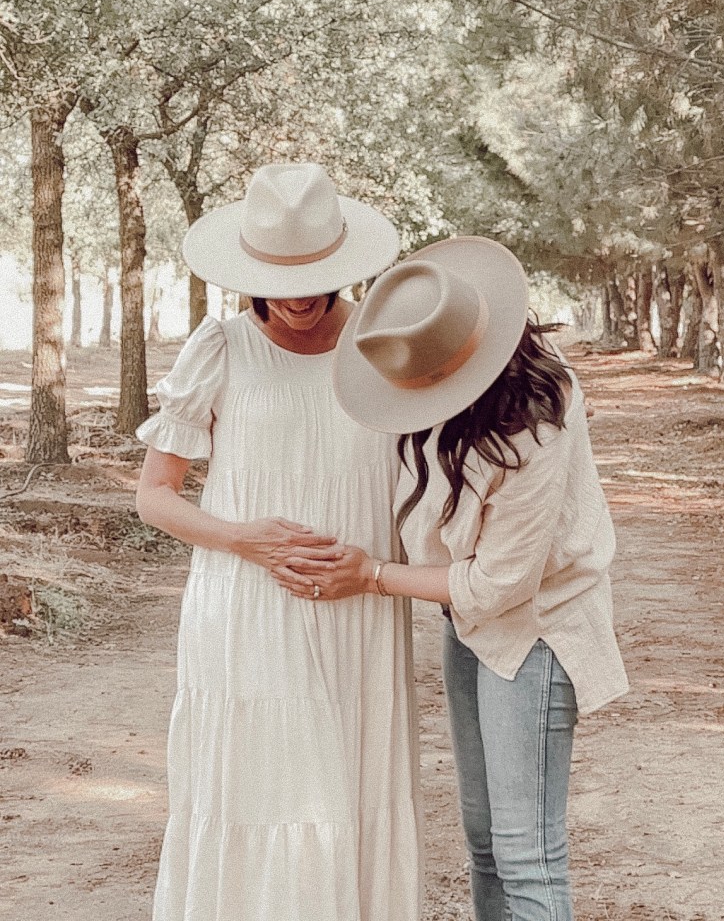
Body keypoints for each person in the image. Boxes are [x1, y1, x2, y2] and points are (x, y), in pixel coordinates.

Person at [276, 237, 629, 921]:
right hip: (468, 626)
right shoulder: (429, 387)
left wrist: (375, 576)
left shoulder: (537, 419)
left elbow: (502, 585)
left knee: (529, 857)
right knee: (486, 844)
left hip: (537, 633)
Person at [135, 163, 423, 921]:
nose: (299, 297)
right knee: (263, 790)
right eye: (281, 278)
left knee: (351, 790)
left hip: (361, 608)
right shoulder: (220, 346)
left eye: (319, 278)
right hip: (246, 609)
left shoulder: (382, 341)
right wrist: (243, 539)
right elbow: (153, 496)